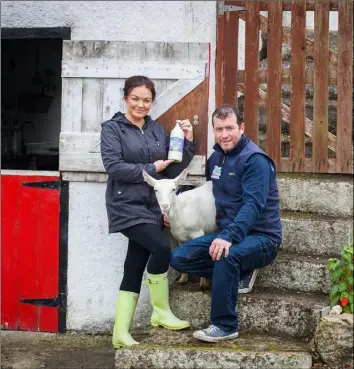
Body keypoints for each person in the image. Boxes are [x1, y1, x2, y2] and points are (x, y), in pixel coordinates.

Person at [170, 104, 282, 342]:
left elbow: (253, 206)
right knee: (179, 257)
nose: (224, 134)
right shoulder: (217, 158)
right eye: (219, 129)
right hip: (229, 234)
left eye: (230, 128)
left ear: (241, 128)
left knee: (225, 256)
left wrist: (228, 236)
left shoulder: (255, 161)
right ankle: (236, 271)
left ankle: (225, 325)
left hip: (261, 238)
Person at [100, 75, 195, 349]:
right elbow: (115, 167)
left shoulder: (156, 130)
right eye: (135, 99)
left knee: (134, 267)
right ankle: (161, 311)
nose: (140, 105)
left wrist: (186, 142)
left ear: (152, 102)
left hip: (151, 207)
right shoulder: (112, 129)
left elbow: (172, 169)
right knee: (162, 248)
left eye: (146, 100)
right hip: (126, 206)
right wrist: (153, 168)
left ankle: (120, 332)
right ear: (126, 98)